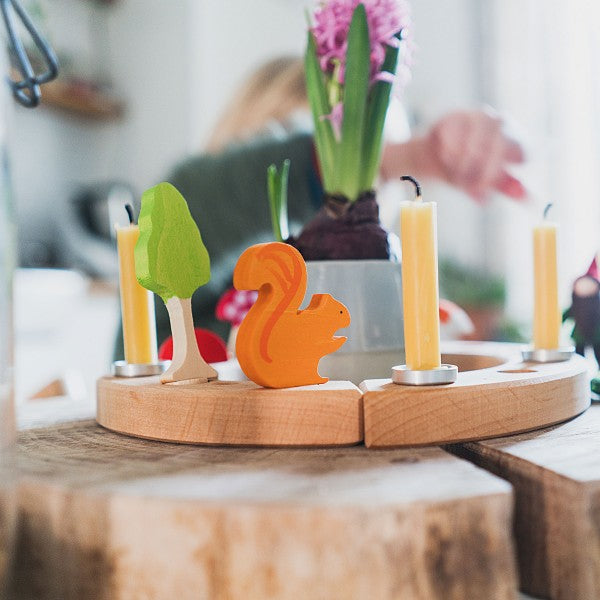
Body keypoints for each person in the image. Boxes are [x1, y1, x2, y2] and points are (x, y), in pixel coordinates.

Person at [115, 56, 526, 358]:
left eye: (369, 190)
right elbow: (212, 196)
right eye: (314, 155)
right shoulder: (187, 263)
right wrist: (405, 157)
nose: (336, 208)